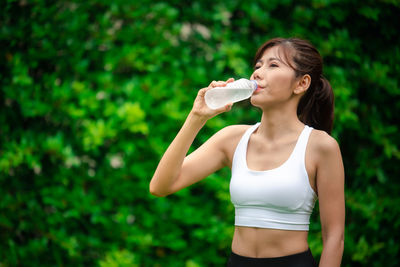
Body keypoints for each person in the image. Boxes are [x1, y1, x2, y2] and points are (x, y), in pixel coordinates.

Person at [150, 37, 345, 267]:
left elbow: (334, 237)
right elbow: (160, 186)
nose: (258, 73)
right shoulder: (232, 139)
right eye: (258, 66)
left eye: (273, 65)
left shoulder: (320, 146)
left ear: (301, 83)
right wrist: (196, 117)